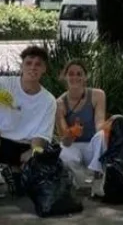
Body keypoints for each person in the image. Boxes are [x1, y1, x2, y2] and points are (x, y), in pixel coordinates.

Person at [0, 46, 57, 194]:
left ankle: (13, 172)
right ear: (21, 66)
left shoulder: (48, 100)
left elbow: (42, 135)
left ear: (44, 69)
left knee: (23, 189)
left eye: (38, 64)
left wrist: (34, 151)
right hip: (2, 140)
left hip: (25, 147)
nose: (33, 67)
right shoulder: (5, 84)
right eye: (29, 63)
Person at [57, 60, 107, 198]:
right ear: (65, 77)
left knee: (102, 135)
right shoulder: (59, 103)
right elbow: (65, 141)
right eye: (71, 74)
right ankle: (82, 182)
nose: (75, 77)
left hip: (92, 145)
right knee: (64, 155)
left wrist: (107, 129)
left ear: (85, 77)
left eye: (79, 74)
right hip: (73, 145)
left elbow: (99, 123)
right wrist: (72, 133)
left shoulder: (98, 95)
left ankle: (97, 175)